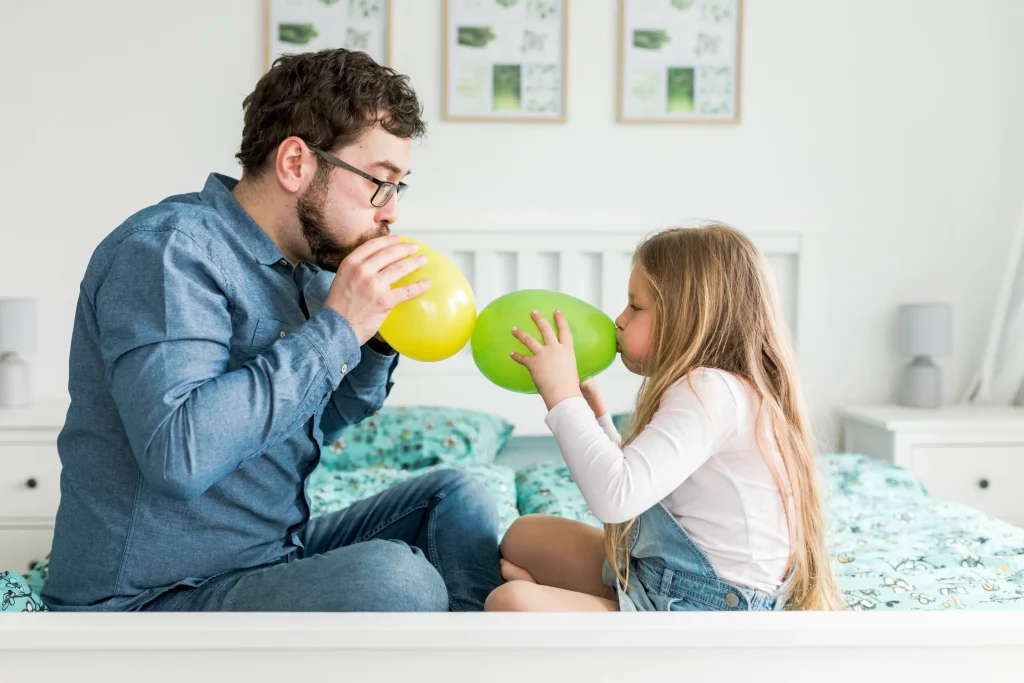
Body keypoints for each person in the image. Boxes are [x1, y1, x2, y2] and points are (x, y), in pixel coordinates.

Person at [42, 49, 502, 612]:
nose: (390, 214)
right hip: (150, 596)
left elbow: (312, 425)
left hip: (267, 558)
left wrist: (374, 338)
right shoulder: (169, 251)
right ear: (295, 164)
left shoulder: (307, 269)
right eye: (379, 183)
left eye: (398, 188)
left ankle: (462, 656)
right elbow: (179, 455)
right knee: (397, 580)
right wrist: (338, 328)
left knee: (456, 498)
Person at [484, 224, 845, 612]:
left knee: (510, 603)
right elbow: (642, 485)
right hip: (665, 577)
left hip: (707, 607)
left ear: (688, 317)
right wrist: (598, 420)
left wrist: (563, 398)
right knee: (525, 535)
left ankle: (572, 608)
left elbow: (616, 498)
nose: (619, 320)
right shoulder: (721, 388)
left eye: (635, 307)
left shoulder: (709, 390)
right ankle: (581, 607)